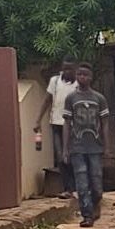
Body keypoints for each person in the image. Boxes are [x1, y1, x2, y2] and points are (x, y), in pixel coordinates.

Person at [62, 65, 112, 229]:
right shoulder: (71, 99)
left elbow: (104, 124)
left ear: (91, 77)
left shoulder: (99, 98)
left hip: (95, 147)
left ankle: (96, 204)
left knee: (97, 184)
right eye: (79, 74)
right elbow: (67, 124)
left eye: (85, 74)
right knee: (82, 182)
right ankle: (87, 215)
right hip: (77, 147)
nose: (82, 77)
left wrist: (106, 146)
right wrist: (65, 148)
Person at [36, 58, 77, 192]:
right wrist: (38, 120)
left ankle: (75, 187)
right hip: (56, 123)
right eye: (65, 68)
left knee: (72, 156)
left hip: (73, 125)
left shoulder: (77, 84)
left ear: (74, 70)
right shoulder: (55, 81)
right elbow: (47, 100)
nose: (66, 71)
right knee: (60, 157)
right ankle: (68, 188)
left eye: (70, 69)